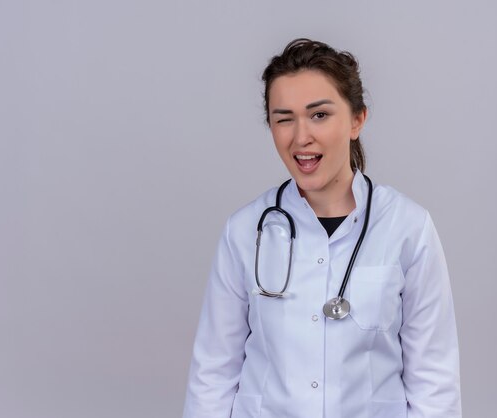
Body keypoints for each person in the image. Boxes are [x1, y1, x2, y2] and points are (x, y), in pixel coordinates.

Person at [182, 38, 461, 418]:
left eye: (319, 115)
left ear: (357, 120)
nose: (300, 137)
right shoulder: (245, 231)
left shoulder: (408, 228)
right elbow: (212, 375)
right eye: (284, 119)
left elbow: (435, 383)